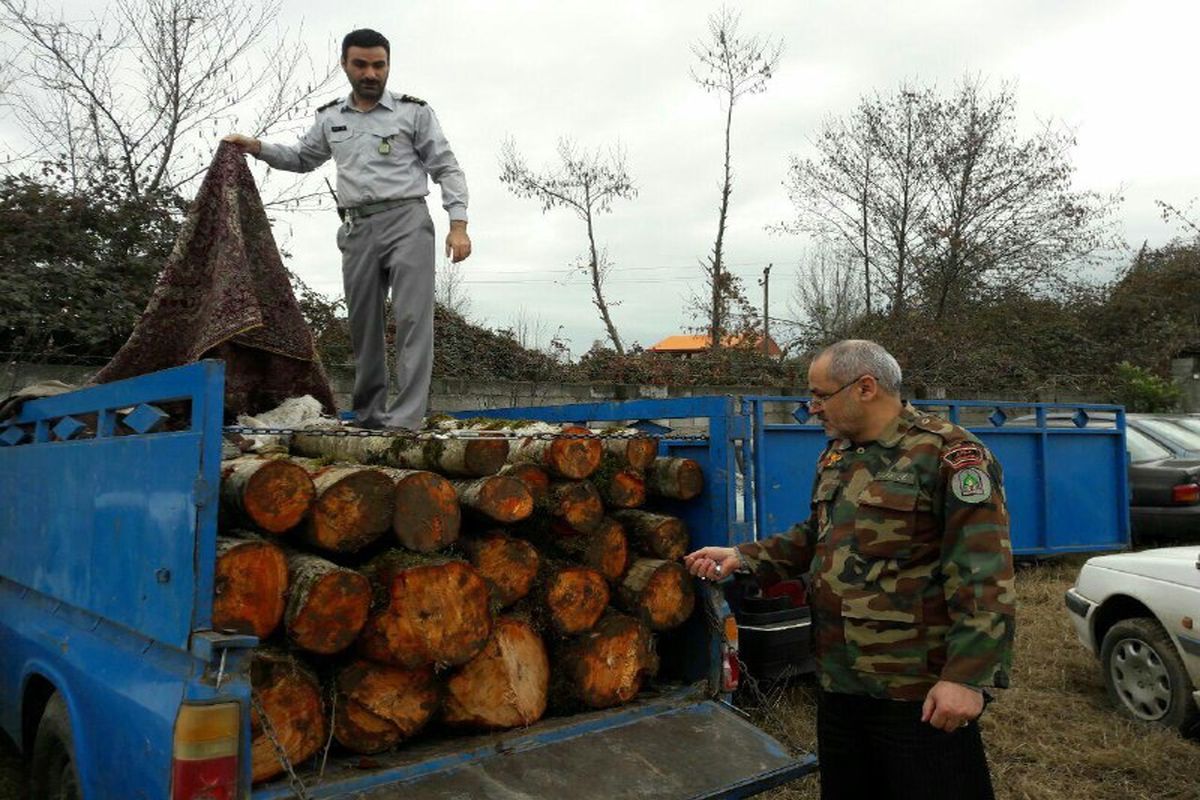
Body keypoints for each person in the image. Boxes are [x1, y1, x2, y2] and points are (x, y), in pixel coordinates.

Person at [685, 339, 1015, 800]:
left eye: (820, 395)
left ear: (865, 387)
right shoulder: (839, 455)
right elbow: (817, 534)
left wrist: (965, 678)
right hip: (839, 678)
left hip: (914, 688)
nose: (812, 407)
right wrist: (743, 557)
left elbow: (983, 574)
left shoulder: (948, 455)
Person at [224, 28, 470, 430]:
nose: (371, 73)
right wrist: (257, 147)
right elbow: (303, 157)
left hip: (408, 220)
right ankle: (371, 416)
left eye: (379, 65)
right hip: (357, 228)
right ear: (345, 65)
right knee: (363, 323)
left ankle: (406, 419)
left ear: (388, 65)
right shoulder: (330, 117)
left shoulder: (414, 112)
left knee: (411, 320)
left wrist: (457, 224)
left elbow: (446, 167)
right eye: (361, 64)